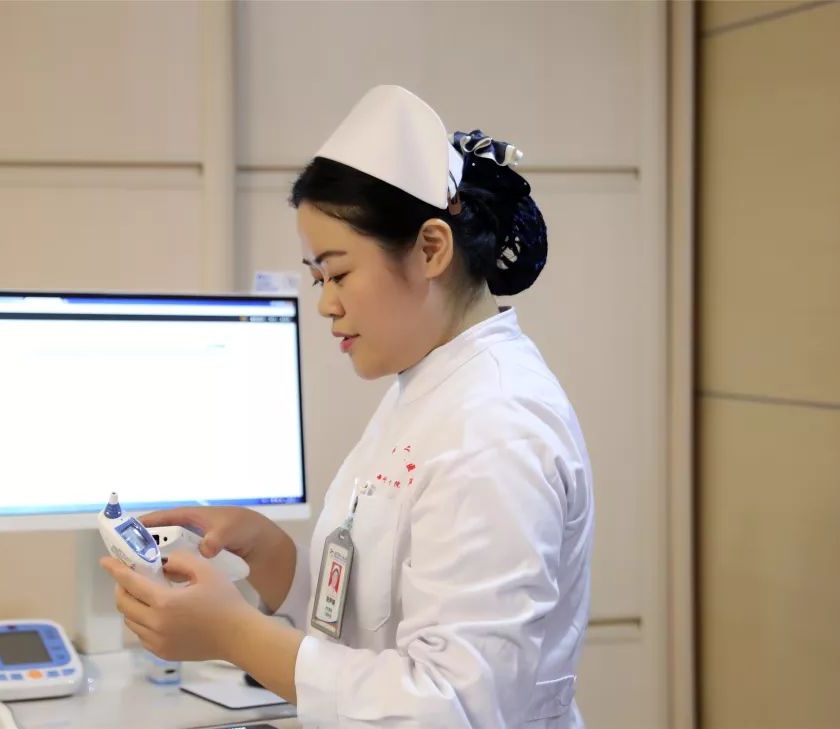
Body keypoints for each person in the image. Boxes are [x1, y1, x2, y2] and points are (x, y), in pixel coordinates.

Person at [101, 84, 594, 728]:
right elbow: (376, 620)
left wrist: (233, 634)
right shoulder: (427, 387)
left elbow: (454, 707)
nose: (325, 304)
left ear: (431, 249)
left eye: (337, 273)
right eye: (317, 278)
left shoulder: (496, 427)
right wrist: (272, 556)